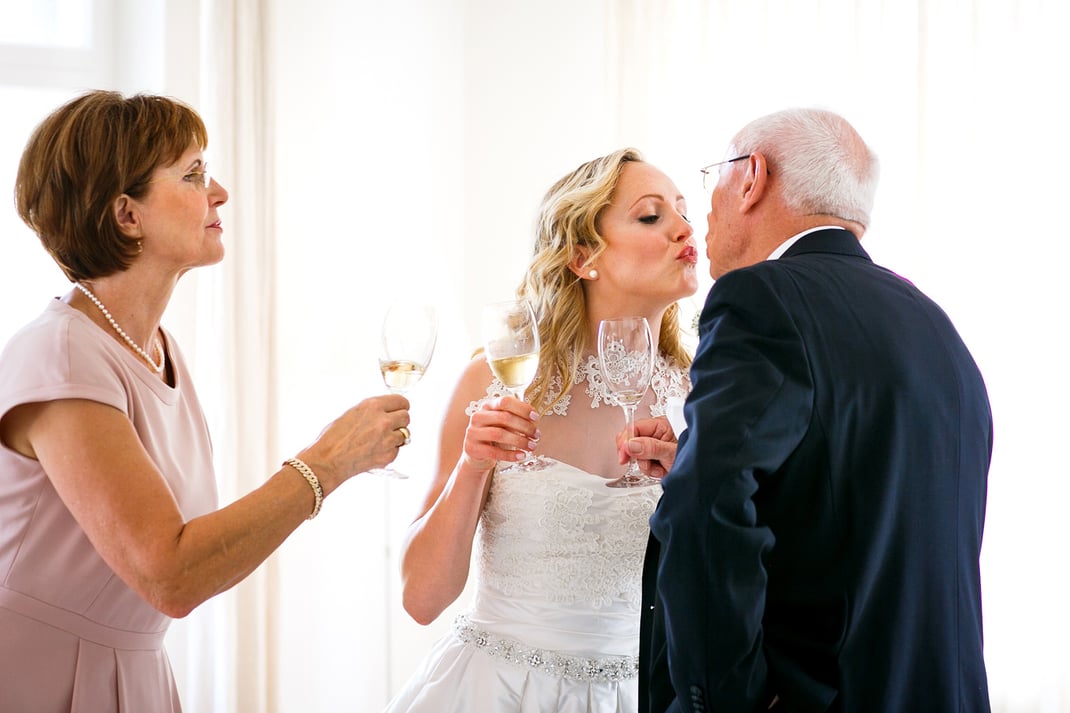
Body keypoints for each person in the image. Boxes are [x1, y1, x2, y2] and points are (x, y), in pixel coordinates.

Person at [0, 90, 411, 713]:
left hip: (136, 676)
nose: (218, 193)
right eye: (194, 175)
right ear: (126, 215)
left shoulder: (157, 349)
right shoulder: (60, 354)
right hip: (35, 674)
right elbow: (172, 574)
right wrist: (328, 462)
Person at [626, 108, 993, 712]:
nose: (704, 212)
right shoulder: (935, 326)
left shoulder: (759, 297)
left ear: (752, 178)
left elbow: (705, 509)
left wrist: (723, 700)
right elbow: (871, 507)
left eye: (712, 179)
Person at [383, 148, 697, 712]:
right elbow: (422, 599)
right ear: (583, 257)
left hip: (637, 695)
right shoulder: (495, 382)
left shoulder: (705, 397)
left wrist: (695, 492)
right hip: (493, 693)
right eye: (652, 216)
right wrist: (472, 465)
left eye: (683, 211)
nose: (684, 228)